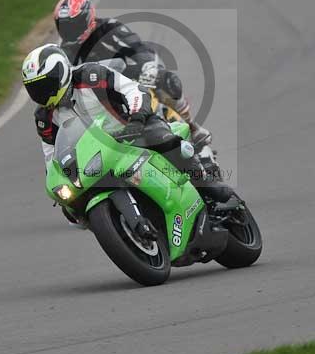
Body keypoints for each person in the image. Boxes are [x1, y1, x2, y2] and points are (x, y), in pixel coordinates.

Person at [22, 44, 232, 225]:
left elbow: (133, 89)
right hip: (97, 157)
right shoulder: (44, 116)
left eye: (44, 84)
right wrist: (60, 183)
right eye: (35, 88)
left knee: (164, 139)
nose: (41, 93)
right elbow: (51, 157)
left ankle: (207, 184)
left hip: (133, 129)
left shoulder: (92, 75)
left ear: (61, 73)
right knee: (72, 209)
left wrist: (137, 118)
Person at [51, 0, 213, 150]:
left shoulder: (109, 29)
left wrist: (148, 68)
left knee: (168, 81)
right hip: (99, 94)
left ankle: (191, 126)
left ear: (88, 19)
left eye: (73, 25)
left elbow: (138, 48)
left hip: (129, 78)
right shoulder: (64, 53)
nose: (69, 31)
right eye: (64, 26)